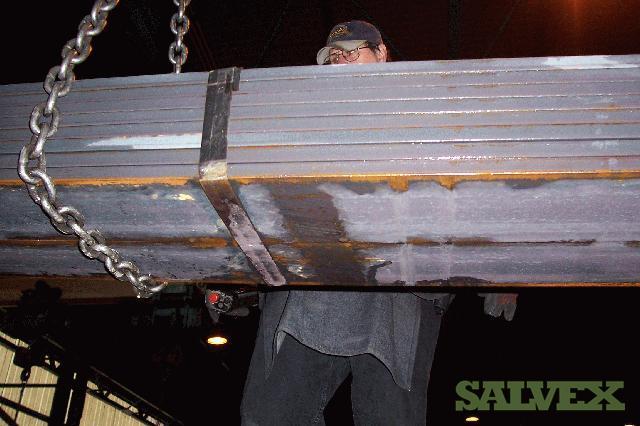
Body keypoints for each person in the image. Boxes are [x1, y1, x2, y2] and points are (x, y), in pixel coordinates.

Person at [240, 20, 517, 425]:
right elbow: (262, 196)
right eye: (334, 57)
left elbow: (466, 187)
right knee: (270, 414)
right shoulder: (304, 122)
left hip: (398, 292)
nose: (341, 62)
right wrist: (231, 274)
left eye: (352, 52)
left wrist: (502, 270)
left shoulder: (423, 111)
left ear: (382, 54)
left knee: (390, 418)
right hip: (315, 288)